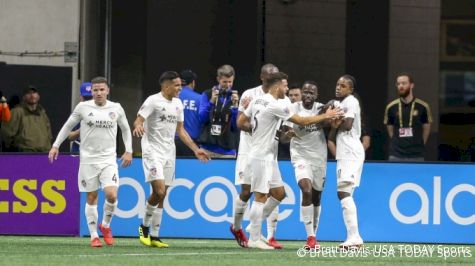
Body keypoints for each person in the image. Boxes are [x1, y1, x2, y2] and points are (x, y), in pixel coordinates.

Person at [237, 72, 341, 249]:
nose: (288, 90)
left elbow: (240, 121)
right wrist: (325, 116)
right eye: (285, 86)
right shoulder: (274, 104)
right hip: (261, 155)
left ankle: (255, 228)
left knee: (279, 193)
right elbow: (300, 120)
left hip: (269, 154)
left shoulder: (257, 101)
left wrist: (259, 131)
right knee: (261, 196)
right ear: (277, 86)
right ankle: (254, 238)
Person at [48, 76, 133, 248]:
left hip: (108, 159)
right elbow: (67, 126)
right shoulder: (83, 107)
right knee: (92, 196)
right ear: (91, 92)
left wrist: (129, 150)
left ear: (108, 90)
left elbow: (125, 129)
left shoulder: (116, 108)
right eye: (95, 90)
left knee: (112, 194)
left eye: (102, 89)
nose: (99, 93)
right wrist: (55, 145)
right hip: (88, 160)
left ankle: (106, 226)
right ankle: (94, 235)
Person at [133, 71, 210, 248]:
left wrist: (196, 150)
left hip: (169, 152)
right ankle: (144, 226)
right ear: (166, 86)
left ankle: (155, 236)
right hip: (152, 151)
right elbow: (138, 120)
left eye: (180, 85)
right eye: (176, 85)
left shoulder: (178, 104)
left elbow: (180, 130)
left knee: (163, 194)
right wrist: (138, 127)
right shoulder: (153, 100)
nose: (180, 89)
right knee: (159, 191)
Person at [231, 63, 284, 249]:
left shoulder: (280, 98)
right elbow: (240, 122)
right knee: (247, 191)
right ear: (262, 77)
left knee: (275, 193)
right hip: (249, 150)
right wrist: (256, 128)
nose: (273, 78)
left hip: (269, 151)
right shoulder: (249, 95)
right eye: (270, 75)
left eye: (275, 75)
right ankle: (237, 227)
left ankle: (254, 229)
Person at [280, 81, 327, 249]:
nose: (308, 95)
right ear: (301, 93)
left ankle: (314, 233)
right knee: (306, 191)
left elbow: (330, 123)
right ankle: (310, 237)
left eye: (311, 93)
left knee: (317, 197)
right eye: (305, 92)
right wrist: (288, 135)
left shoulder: (322, 109)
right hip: (300, 156)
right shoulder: (293, 108)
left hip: (319, 158)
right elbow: (283, 137)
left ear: (316, 95)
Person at [328, 74, 365, 248]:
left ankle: (355, 237)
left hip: (350, 151)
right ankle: (353, 237)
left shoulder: (350, 101)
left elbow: (348, 124)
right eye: (337, 84)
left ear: (350, 89)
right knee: (345, 193)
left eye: (342, 85)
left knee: (343, 193)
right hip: (346, 152)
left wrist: (334, 121)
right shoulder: (341, 103)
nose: (338, 87)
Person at [384, 72, 432, 161]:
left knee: (416, 175)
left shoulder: (423, 106)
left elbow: (426, 128)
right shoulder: (391, 107)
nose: (401, 86)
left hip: (416, 154)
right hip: (396, 154)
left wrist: (420, 143)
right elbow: (390, 128)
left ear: (412, 85)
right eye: (398, 84)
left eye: (404, 83)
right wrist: (397, 142)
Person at [197, 64, 239, 158]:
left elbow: (235, 127)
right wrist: (211, 102)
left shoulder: (234, 97)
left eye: (230, 82)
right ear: (218, 79)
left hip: (228, 150)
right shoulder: (207, 94)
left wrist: (235, 107)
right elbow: (202, 119)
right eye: (224, 82)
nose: (228, 85)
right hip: (207, 148)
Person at [1, 86, 52, 152]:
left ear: (38, 96)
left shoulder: (42, 113)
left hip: (44, 154)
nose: (32, 95)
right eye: (28, 93)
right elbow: (6, 133)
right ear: (24, 97)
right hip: (25, 154)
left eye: (34, 93)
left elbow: (49, 134)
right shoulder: (17, 112)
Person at [176, 69, 202, 157]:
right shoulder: (200, 98)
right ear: (193, 82)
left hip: (171, 142)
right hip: (191, 143)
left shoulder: (172, 98)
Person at [69, 82, 93, 153]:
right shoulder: (77, 112)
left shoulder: (102, 112)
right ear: (81, 96)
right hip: (78, 150)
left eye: (90, 98)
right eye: (86, 98)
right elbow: (69, 136)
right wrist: (81, 130)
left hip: (96, 151)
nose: (88, 101)